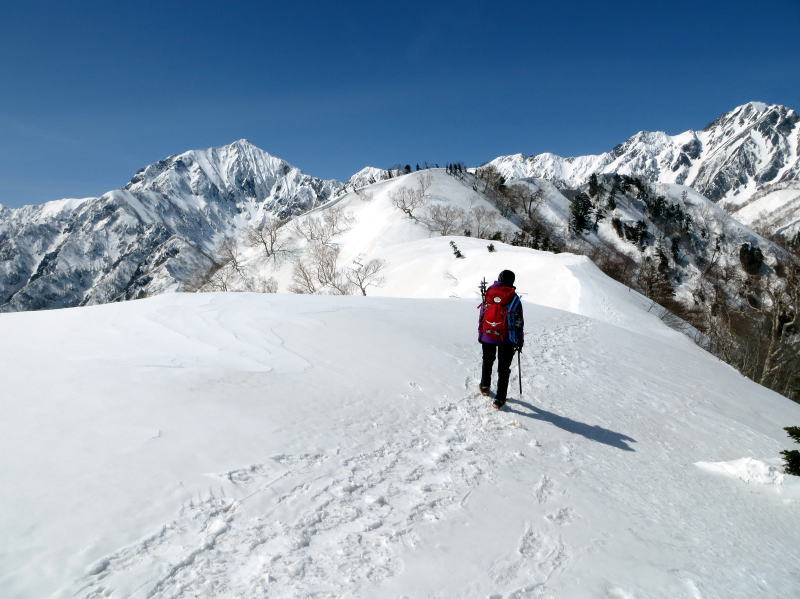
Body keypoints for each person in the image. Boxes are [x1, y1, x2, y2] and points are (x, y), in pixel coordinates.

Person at [478, 269, 524, 409]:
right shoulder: (513, 297)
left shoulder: (489, 292)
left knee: (487, 360)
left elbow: (482, 314)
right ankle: (500, 399)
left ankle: (485, 387)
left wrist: (481, 334)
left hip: (488, 335)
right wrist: (519, 341)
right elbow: (518, 322)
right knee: (503, 368)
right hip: (507, 338)